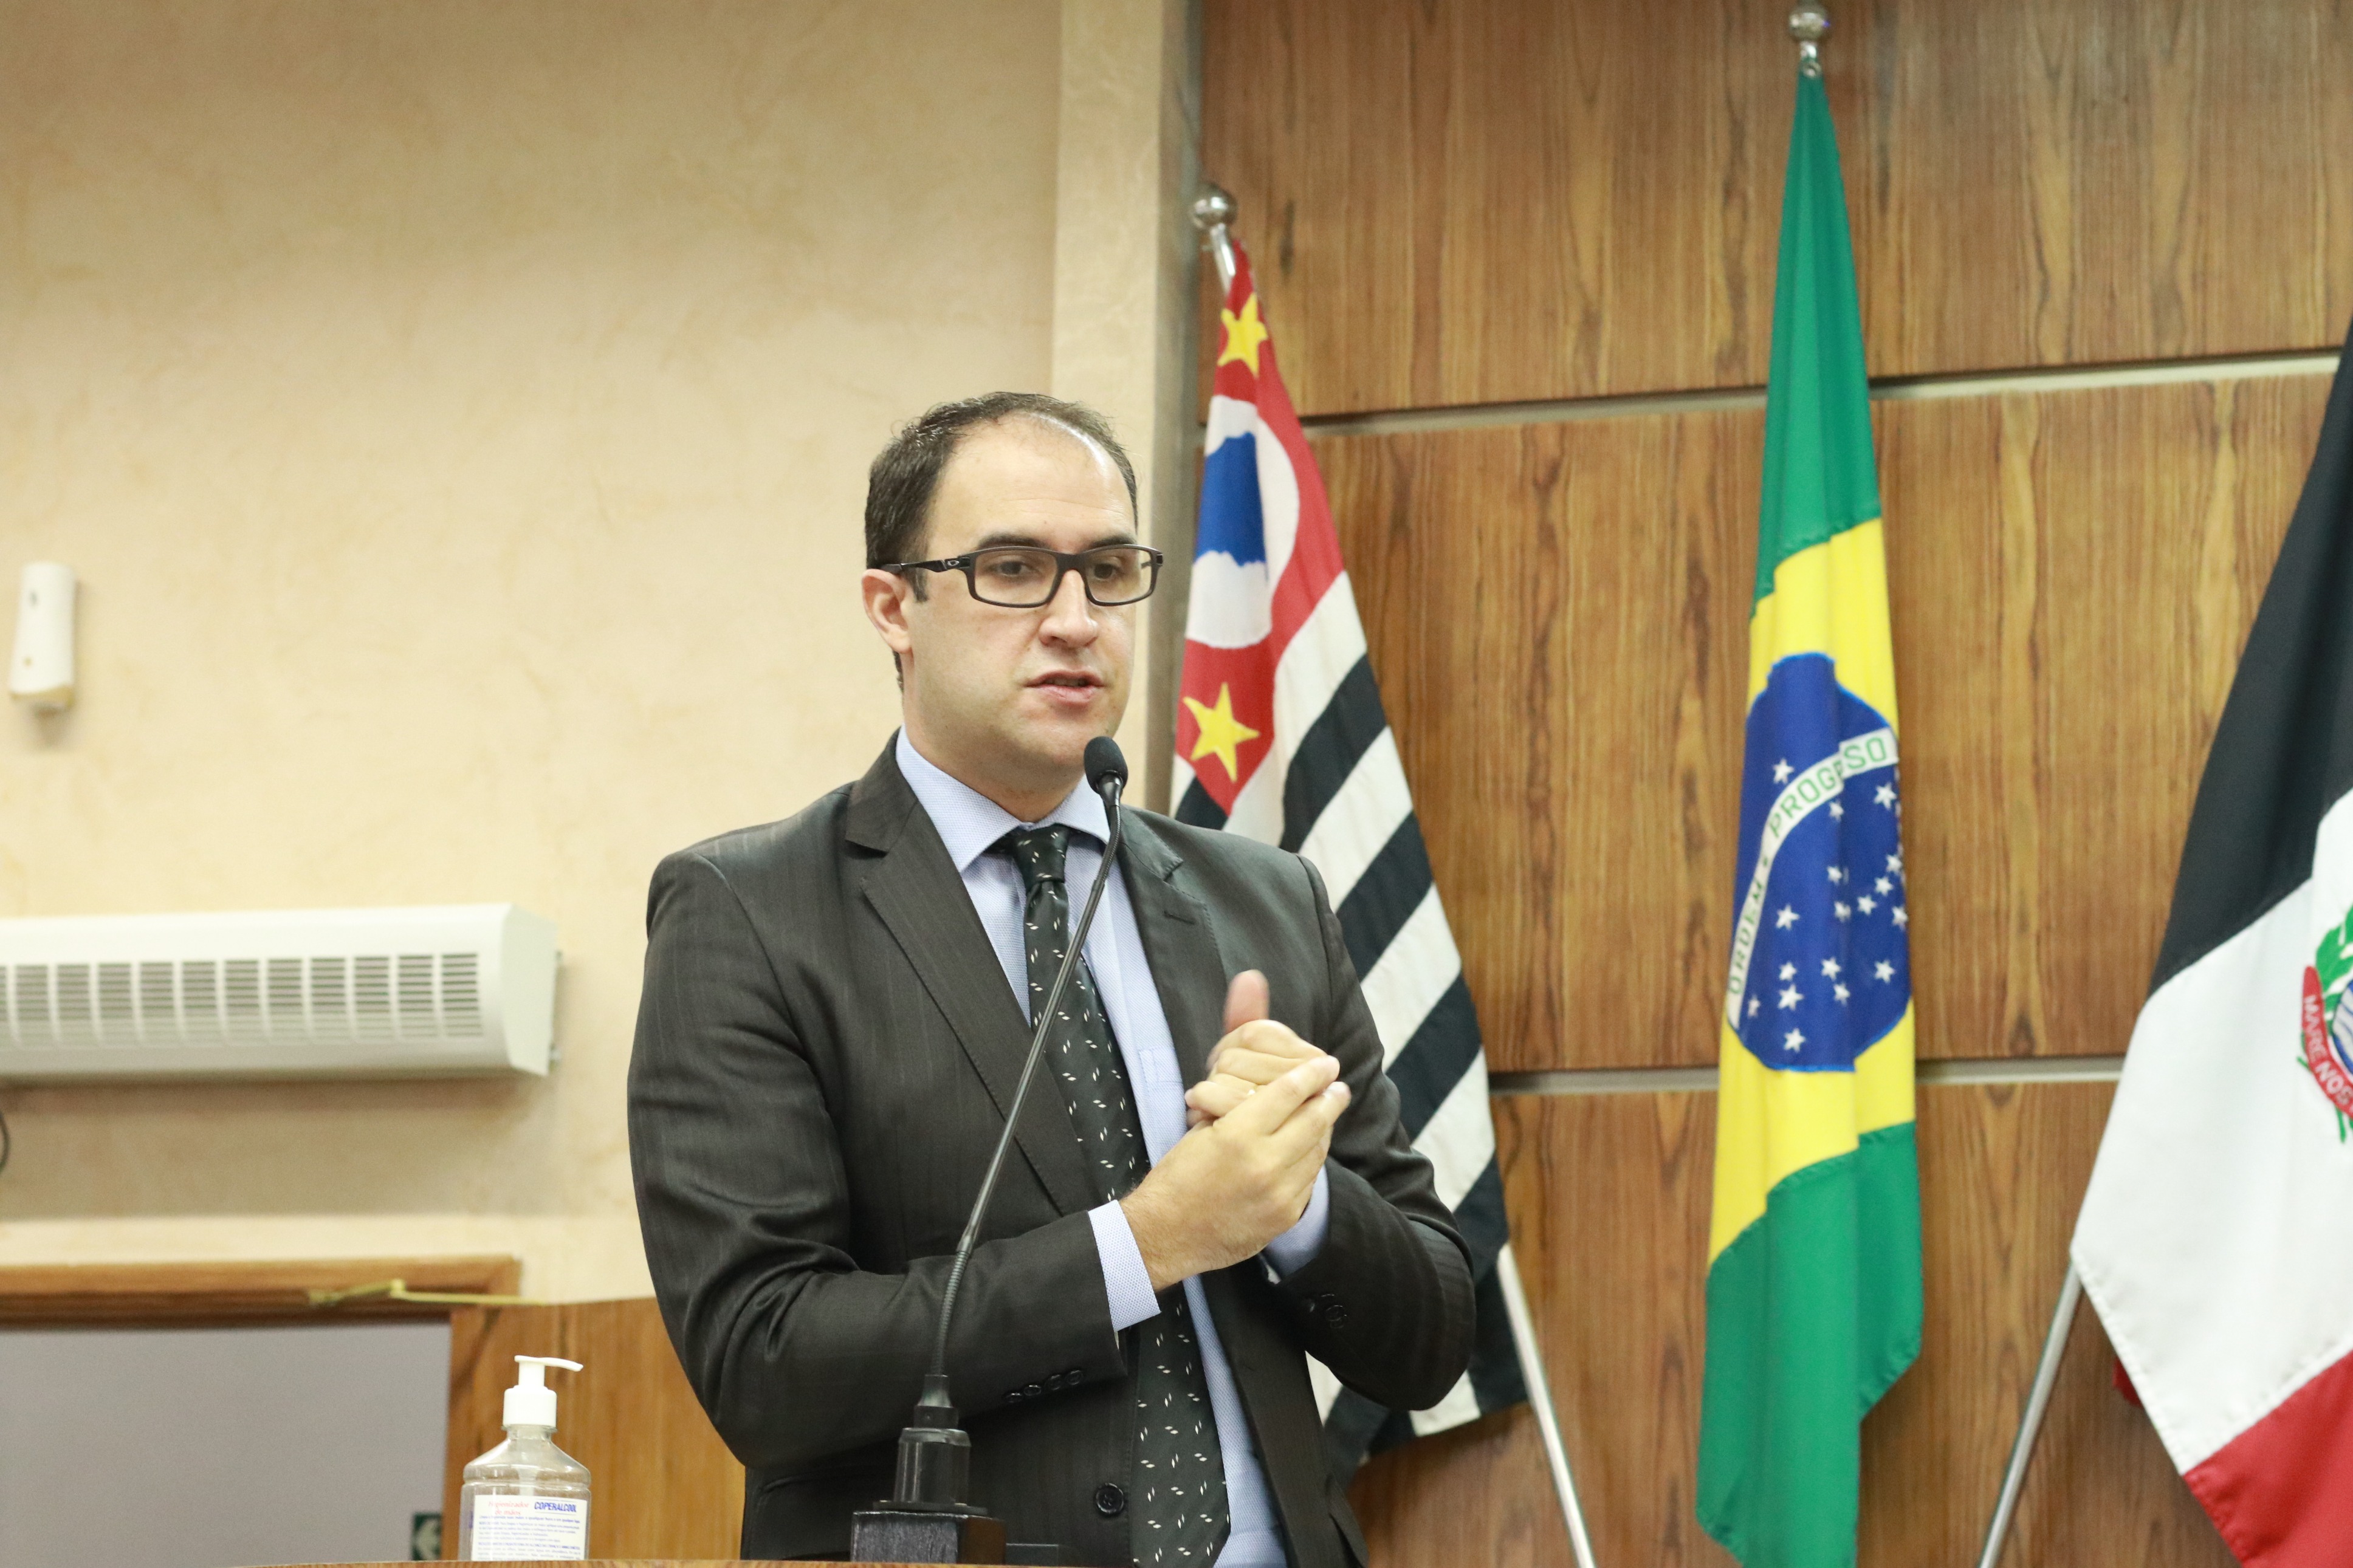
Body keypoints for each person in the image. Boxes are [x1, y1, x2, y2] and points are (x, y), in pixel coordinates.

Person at [628, 391, 1473, 1567]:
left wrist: (1297, 1195)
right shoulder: (752, 911)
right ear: (894, 607)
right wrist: (1146, 1241)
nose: (1076, 621)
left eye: (1109, 571)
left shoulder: (1266, 900)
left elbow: (1433, 1338)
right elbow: (763, 1359)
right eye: (1014, 570)